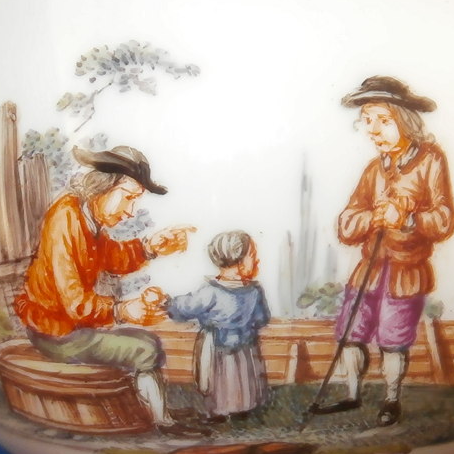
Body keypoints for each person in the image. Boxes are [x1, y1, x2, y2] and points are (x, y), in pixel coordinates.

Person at [14, 145, 204, 437]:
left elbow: (110, 256)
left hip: (69, 327)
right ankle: (162, 423)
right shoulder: (66, 218)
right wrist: (122, 310)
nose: (130, 211)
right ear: (103, 185)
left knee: (145, 341)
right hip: (57, 334)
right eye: (128, 197)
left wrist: (150, 247)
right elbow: (76, 304)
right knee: (145, 348)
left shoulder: (84, 215)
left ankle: (158, 412)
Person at [326, 76, 454, 426]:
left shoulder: (431, 161)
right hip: (368, 270)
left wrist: (409, 218)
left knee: (393, 340)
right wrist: (371, 218)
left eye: (383, 120)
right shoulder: (374, 170)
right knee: (351, 332)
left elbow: (444, 219)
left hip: (405, 272)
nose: (373, 130)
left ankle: (391, 399)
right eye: (367, 121)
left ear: (404, 120)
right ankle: (352, 394)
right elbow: (346, 224)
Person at [164, 230, 271, 423]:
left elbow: (186, 307)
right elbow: (262, 318)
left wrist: (168, 304)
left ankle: (221, 411)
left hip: (217, 345)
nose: (257, 261)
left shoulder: (211, 291)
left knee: (221, 378)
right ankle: (243, 407)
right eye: (253, 256)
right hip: (243, 345)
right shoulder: (254, 291)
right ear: (238, 260)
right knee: (243, 376)